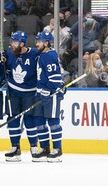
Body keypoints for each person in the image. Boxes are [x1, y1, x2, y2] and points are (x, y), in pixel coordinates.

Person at [3, 31, 41, 162]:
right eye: (12, 42)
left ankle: (34, 147)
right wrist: (0, 60)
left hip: (30, 93)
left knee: (30, 119)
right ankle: (15, 148)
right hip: (13, 92)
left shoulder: (35, 54)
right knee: (13, 119)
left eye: (14, 42)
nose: (12, 44)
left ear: (22, 44)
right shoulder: (9, 53)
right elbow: (4, 70)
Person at [33, 31, 65, 162]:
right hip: (41, 93)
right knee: (39, 121)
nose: (37, 44)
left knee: (53, 122)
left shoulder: (50, 55)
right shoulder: (42, 55)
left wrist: (49, 90)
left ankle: (57, 149)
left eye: (39, 41)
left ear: (46, 43)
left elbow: (56, 78)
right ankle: (45, 147)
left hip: (51, 94)